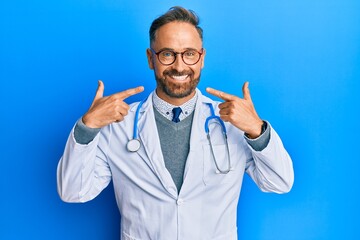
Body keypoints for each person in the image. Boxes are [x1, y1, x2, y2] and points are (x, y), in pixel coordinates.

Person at [57, 6, 294, 240]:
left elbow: (279, 183)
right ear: (151, 58)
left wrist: (257, 130)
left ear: (202, 58)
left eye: (189, 54)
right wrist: (87, 127)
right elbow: (73, 192)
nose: (180, 66)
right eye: (168, 54)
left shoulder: (233, 123)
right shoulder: (118, 125)